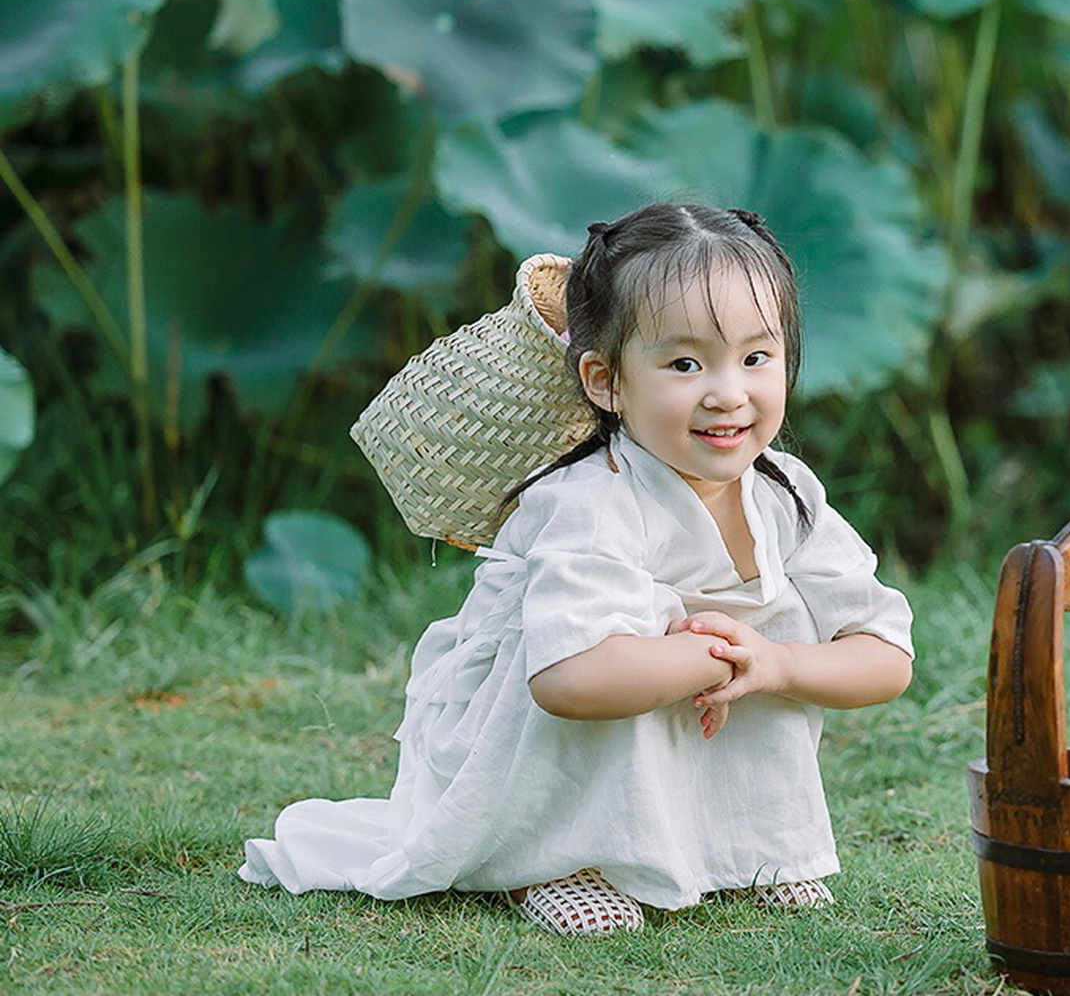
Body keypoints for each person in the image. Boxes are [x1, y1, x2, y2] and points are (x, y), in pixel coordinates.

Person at [239, 203, 916, 936]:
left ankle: (748, 846)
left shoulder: (787, 493)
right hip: (540, 738)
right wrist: (707, 654)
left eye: (756, 357)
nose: (728, 392)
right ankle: (559, 857)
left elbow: (886, 655)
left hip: (683, 700)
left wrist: (774, 664)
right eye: (685, 363)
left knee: (779, 634)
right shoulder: (591, 501)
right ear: (605, 381)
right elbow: (567, 680)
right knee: (653, 639)